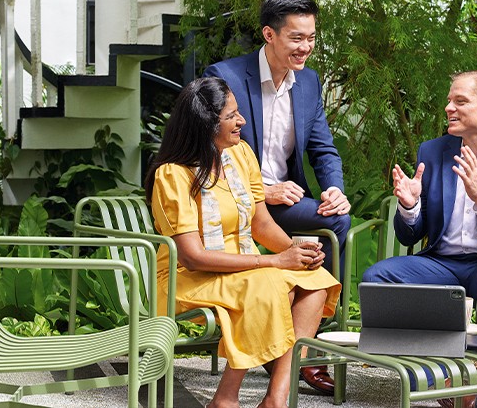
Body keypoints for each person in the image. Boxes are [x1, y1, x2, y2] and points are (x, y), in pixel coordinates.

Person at [145, 77, 341, 408]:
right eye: (231, 116)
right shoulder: (173, 175)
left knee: (314, 281)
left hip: (244, 270)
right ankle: (225, 398)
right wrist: (276, 262)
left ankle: (277, 397)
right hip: (188, 279)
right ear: (206, 125)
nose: (242, 121)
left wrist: (294, 252)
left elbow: (261, 223)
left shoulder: (240, 154)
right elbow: (192, 257)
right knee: (266, 285)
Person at [202, 0, 349, 393]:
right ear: (269, 34)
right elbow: (200, 151)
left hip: (283, 207)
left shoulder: (309, 82)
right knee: (294, 253)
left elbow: (322, 147)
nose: (306, 47)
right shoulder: (226, 75)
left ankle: (304, 347)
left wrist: (334, 189)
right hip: (236, 205)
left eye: (312, 37)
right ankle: (285, 354)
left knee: (337, 220)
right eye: (296, 38)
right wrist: (261, 191)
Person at [362, 70, 477, 329]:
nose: (449, 108)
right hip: (443, 265)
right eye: (449, 101)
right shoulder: (432, 151)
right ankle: (422, 362)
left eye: (460, 102)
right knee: (377, 277)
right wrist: (410, 206)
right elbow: (409, 236)